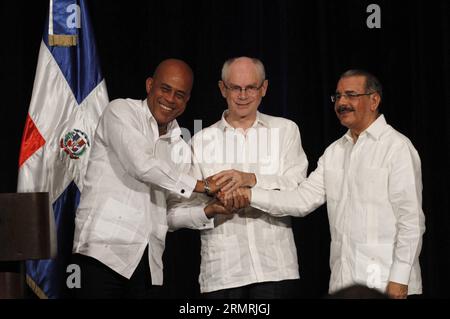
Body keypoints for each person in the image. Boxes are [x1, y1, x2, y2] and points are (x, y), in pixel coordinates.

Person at [236, 69, 425, 299]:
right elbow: (301, 200)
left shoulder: (396, 148)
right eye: (337, 97)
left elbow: (411, 221)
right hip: (343, 285)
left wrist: (400, 278)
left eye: (351, 95)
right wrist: (249, 195)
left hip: (386, 285)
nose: (342, 103)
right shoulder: (335, 151)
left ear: (374, 100)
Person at [72, 59, 228, 298]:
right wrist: (203, 185)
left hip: (148, 264)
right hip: (102, 254)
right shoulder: (120, 111)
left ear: (186, 101)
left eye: (180, 94)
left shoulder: (180, 147)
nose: (170, 99)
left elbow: (171, 214)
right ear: (149, 85)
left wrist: (208, 210)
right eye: (165, 89)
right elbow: (141, 165)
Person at [168, 57, 308, 298]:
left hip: (275, 270)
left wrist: (251, 182)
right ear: (223, 89)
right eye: (235, 87)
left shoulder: (286, 131)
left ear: (263, 88)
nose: (243, 95)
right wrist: (211, 210)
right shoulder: (200, 142)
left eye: (250, 87)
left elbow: (298, 194)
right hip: (222, 274)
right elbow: (174, 214)